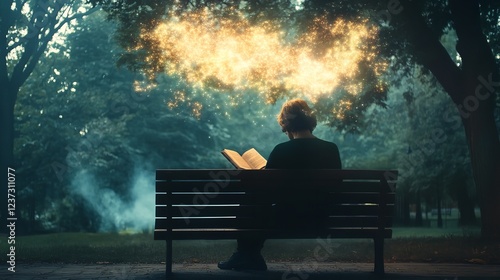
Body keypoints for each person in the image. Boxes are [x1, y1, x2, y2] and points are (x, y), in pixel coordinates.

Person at [217, 98, 342, 271]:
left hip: (286, 219)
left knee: (250, 201)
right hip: (322, 218)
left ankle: (247, 255)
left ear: (286, 125)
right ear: (310, 121)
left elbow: (266, 191)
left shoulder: (281, 150)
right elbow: (336, 188)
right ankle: (248, 256)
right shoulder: (331, 149)